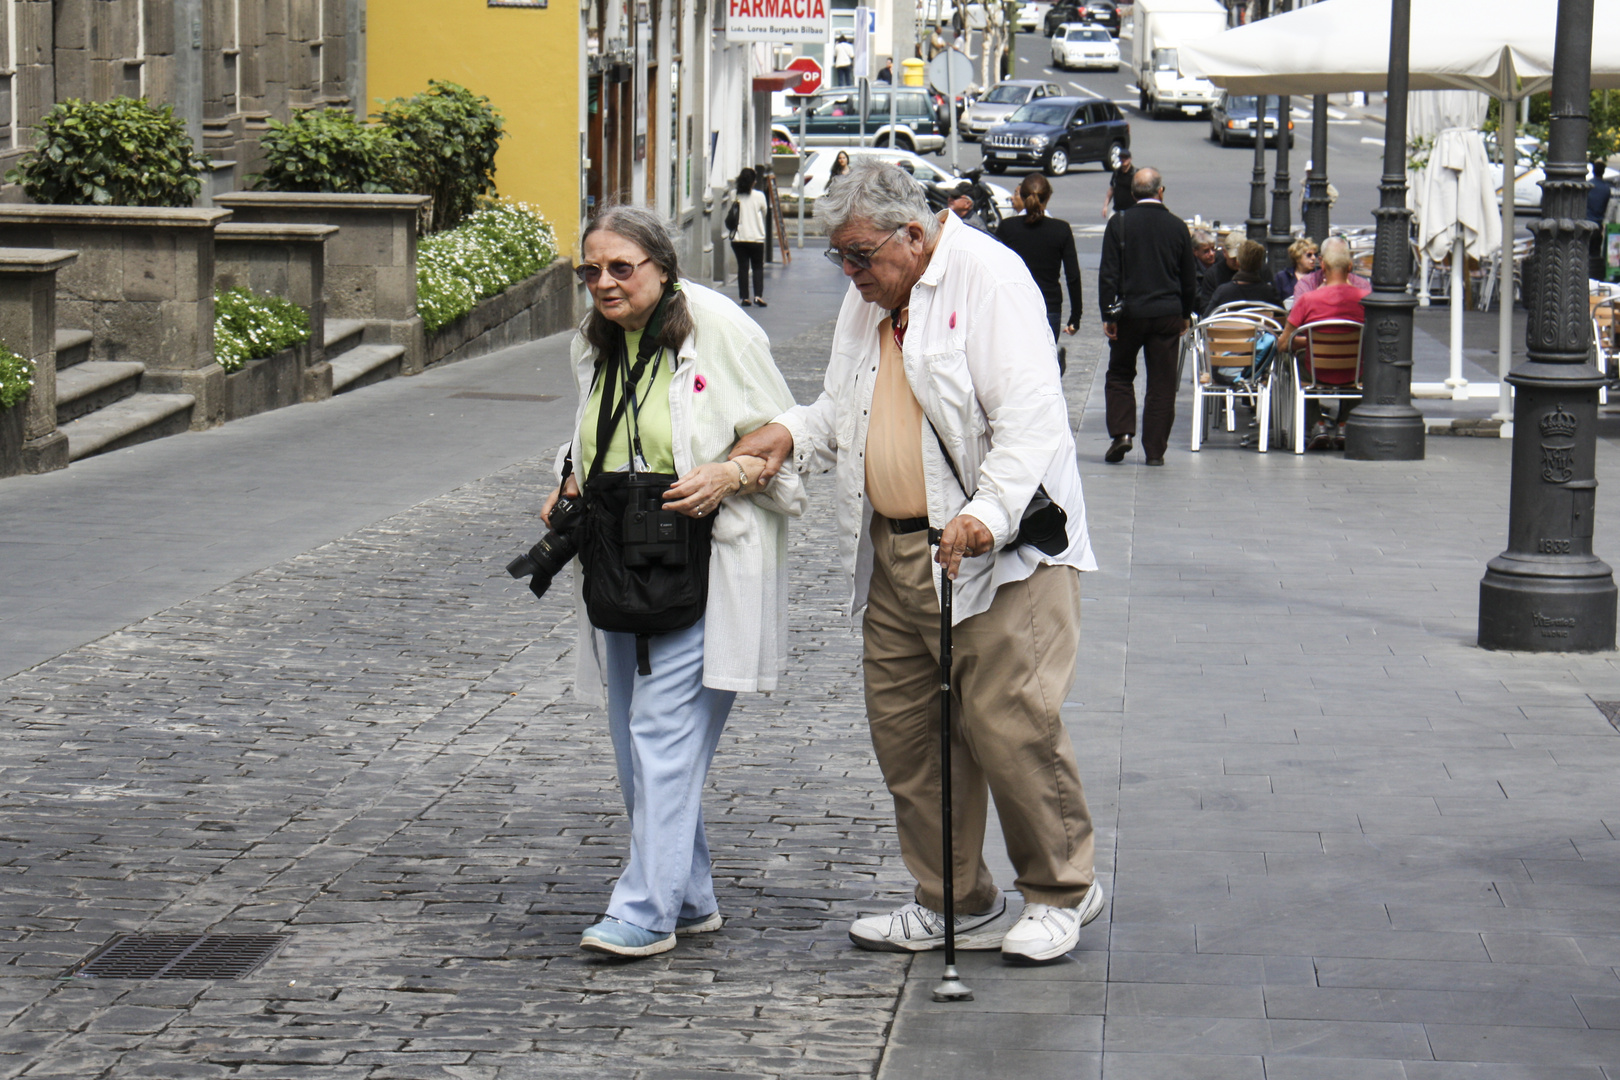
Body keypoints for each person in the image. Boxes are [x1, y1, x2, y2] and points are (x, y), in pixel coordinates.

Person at [730, 157, 1105, 964]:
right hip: (896, 552)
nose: (850, 272)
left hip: (998, 560)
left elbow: (1033, 423)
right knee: (912, 739)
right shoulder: (870, 300)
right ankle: (955, 899)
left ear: (914, 231)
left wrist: (985, 514)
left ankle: (1060, 889)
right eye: (840, 257)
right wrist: (789, 432)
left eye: (860, 255)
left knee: (1013, 730)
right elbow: (843, 404)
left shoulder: (990, 281)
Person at [542, 205, 805, 958]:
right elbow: (594, 433)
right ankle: (687, 895)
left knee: (662, 732)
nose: (603, 282)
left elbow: (784, 427)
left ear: (663, 265)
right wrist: (567, 479)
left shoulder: (719, 329)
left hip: (707, 559)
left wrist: (730, 472)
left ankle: (646, 909)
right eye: (590, 270)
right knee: (635, 741)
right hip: (620, 559)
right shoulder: (592, 345)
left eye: (621, 267)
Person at [1097, 167, 1199, 467]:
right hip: (1166, 312)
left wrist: (1108, 314)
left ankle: (1122, 433)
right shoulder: (1177, 226)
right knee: (1162, 383)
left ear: (1132, 193)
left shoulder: (1120, 223)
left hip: (1130, 313)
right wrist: (1185, 313)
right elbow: (1189, 278)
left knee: (1119, 374)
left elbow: (1108, 273)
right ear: (1160, 191)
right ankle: (1155, 450)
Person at [1279, 236, 1365, 449]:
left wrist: (1312, 344)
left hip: (1316, 371)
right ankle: (1344, 424)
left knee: (1295, 362)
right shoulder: (1365, 298)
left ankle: (1317, 424)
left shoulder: (1308, 299)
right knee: (1365, 358)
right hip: (1353, 373)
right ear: (1350, 266)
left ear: (1323, 265)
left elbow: (1283, 344)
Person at [995, 173, 1082, 373]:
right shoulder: (1061, 229)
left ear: (1023, 197)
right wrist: (1075, 316)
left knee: (1016, 365)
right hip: (1049, 304)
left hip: (1014, 304)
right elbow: (1073, 275)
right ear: (1048, 197)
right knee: (1044, 364)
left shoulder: (1008, 228)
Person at [1205, 239, 1283, 315]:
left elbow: (1206, 319)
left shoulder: (1222, 292)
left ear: (1238, 262)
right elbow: (1283, 319)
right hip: (1260, 327)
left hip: (1230, 327)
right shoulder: (1269, 293)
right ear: (1260, 264)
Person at [730, 167, 769, 308]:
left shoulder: (734, 194)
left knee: (743, 267)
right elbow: (764, 211)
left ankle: (744, 297)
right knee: (758, 267)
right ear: (753, 181)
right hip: (756, 237)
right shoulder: (759, 196)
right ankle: (758, 296)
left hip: (739, 238)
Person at [1197, 231, 1241, 313]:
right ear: (1225, 253)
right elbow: (1205, 307)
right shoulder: (1213, 274)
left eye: (1241, 258)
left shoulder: (1259, 271)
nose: (1237, 262)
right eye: (1234, 258)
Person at [1274, 236, 1317, 303]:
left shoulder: (1318, 276)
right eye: (1309, 255)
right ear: (1297, 257)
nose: (1314, 258)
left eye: (1315, 254)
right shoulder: (1282, 277)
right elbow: (1276, 302)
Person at [1589, 160, 1613, 281]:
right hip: (1597, 225)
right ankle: (1594, 279)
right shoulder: (1606, 189)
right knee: (1595, 254)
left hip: (1586, 224)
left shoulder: (1588, 186)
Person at [1102, 147, 1135, 218]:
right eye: (1122, 157)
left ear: (1130, 159)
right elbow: (1111, 189)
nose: (1124, 159)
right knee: (1111, 223)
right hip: (1117, 209)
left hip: (1131, 209)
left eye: (1126, 157)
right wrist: (1105, 206)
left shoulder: (1135, 173)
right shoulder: (1116, 173)